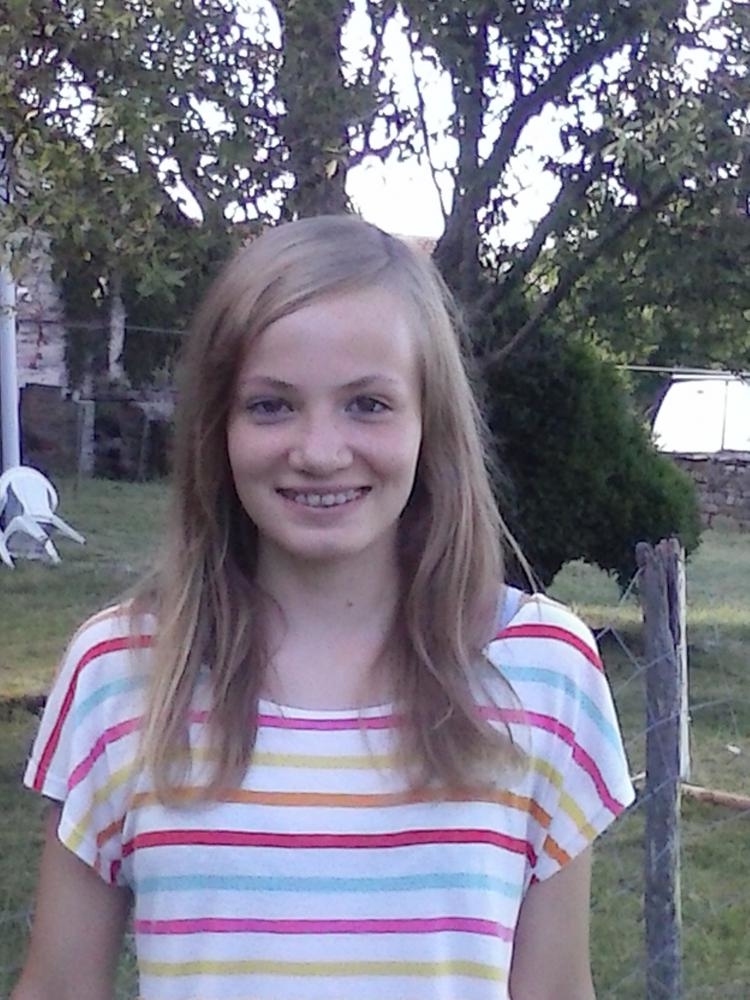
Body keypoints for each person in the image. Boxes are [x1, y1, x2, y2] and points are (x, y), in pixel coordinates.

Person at [12, 215, 634, 1000]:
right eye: (271, 406)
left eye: (368, 404)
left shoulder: (544, 670)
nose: (318, 451)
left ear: (431, 422)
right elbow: (60, 986)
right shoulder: (123, 672)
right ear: (217, 427)